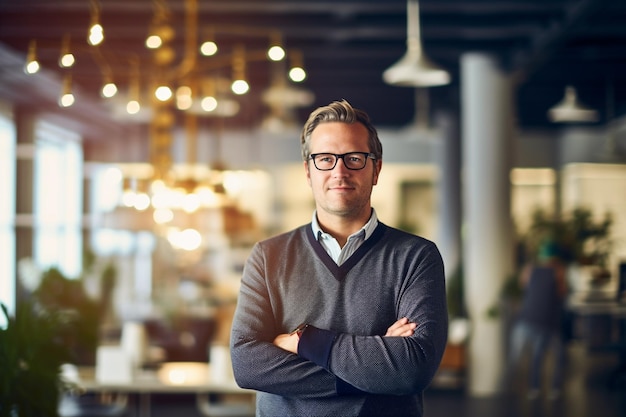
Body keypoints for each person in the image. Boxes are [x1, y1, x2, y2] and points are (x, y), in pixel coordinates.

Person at [230, 100, 448, 417]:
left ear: (376, 168)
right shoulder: (268, 255)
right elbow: (246, 364)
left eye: (355, 158)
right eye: (325, 159)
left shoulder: (416, 256)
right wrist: (373, 368)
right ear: (308, 170)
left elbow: (412, 369)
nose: (340, 171)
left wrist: (304, 342)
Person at [507, 240, 568, 400]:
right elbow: (562, 293)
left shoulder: (532, 269)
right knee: (548, 356)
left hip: (537, 320)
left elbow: (524, 286)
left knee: (537, 356)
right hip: (543, 321)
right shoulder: (557, 271)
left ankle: (536, 389)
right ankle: (542, 389)